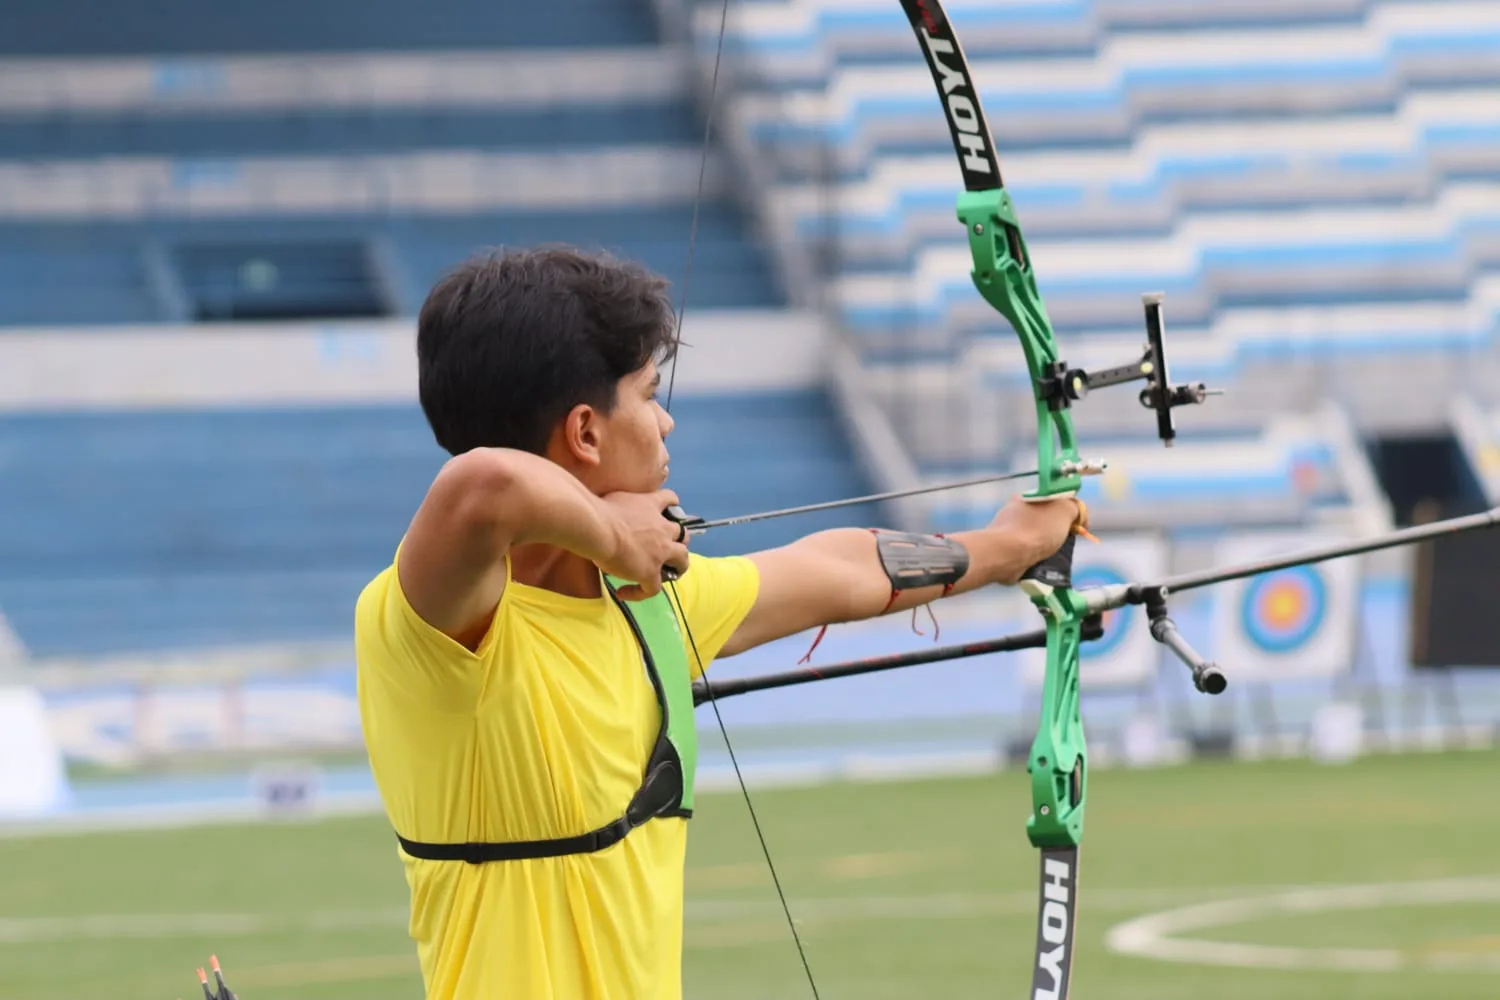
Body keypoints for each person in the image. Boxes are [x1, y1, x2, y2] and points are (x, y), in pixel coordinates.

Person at [353, 246, 1085, 1000]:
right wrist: (615, 535)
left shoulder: (646, 605)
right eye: (647, 394)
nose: (665, 420)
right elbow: (483, 482)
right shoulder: (433, 628)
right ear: (585, 432)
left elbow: (841, 570)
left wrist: (1011, 545)